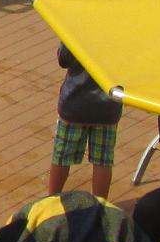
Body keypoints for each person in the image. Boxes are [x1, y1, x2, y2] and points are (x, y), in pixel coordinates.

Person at [48, 43, 123, 201]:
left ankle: (50, 202)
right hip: (108, 107)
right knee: (103, 161)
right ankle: (100, 208)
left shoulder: (78, 27)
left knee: (61, 157)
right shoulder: (121, 31)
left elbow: (63, 60)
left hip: (75, 105)